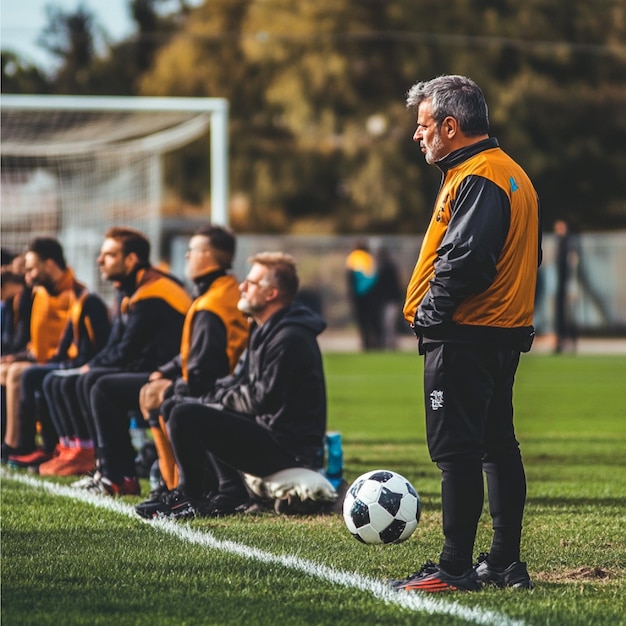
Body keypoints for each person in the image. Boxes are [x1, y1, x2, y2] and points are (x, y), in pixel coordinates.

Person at [392, 75, 541, 592]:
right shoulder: (507, 171)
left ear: (450, 127)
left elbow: (468, 259)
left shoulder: (478, 175)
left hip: (466, 335)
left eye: (424, 125)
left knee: (456, 453)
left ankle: (454, 567)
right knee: (497, 447)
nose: (418, 135)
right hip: (497, 335)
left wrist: (430, 314)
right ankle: (502, 562)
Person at [135, 252, 328, 519]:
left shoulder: (289, 337)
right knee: (180, 405)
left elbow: (263, 399)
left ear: (271, 294)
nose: (242, 286)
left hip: (289, 447)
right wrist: (214, 396)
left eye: (252, 283)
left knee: (185, 414)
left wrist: (219, 400)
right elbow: (237, 381)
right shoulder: (263, 329)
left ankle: (192, 496)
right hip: (269, 432)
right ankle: (226, 492)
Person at [58, 227, 192, 494]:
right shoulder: (129, 290)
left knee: (100, 385)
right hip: (150, 371)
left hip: (171, 376)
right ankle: (107, 471)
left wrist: (91, 367)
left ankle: (119, 477)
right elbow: (116, 346)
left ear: (131, 260)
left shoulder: (155, 292)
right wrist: (90, 367)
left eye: (109, 255)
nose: (100, 260)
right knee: (90, 379)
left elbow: (128, 350)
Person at [136, 225, 249, 493]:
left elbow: (202, 374)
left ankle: (175, 480)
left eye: (192, 250)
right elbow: (192, 354)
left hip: (218, 392)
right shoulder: (220, 291)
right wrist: (165, 371)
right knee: (151, 387)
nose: (187, 256)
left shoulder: (212, 304)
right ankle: (166, 473)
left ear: (207, 255)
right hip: (223, 387)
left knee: (156, 397)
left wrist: (170, 385)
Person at [1, 238, 84, 463]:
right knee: (10, 370)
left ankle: (24, 445)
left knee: (22, 373)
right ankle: (12, 442)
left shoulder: (76, 295)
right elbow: (35, 340)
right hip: (44, 359)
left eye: (31, 268)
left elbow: (75, 342)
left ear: (48, 265)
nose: (27, 274)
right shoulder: (42, 293)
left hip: (69, 362)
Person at [346, 241, 381, 350]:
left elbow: (349, 277)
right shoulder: (369, 258)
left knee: (362, 321)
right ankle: (376, 343)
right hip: (371, 294)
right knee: (373, 320)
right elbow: (375, 276)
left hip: (358, 295)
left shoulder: (352, 258)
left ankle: (365, 343)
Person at [374, 247, 403, 350]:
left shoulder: (384, 268)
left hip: (389, 300)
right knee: (389, 323)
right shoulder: (391, 267)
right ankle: (390, 343)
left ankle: (390, 344)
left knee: (388, 323)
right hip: (392, 299)